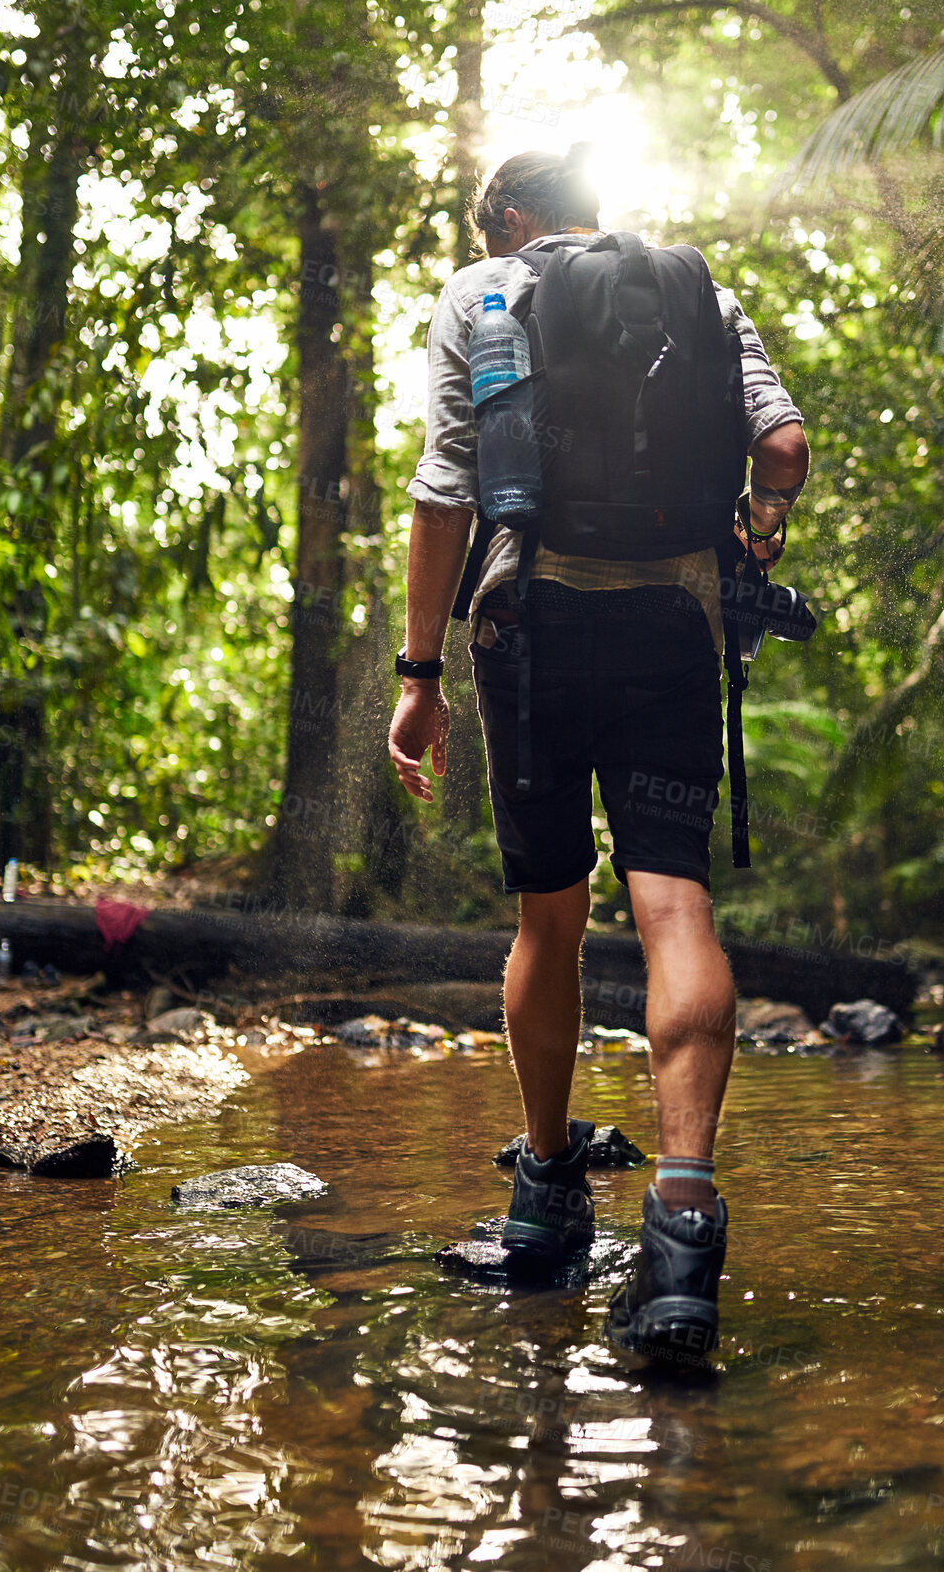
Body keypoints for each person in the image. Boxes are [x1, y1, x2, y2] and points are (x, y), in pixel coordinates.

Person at [387, 146, 809, 1361]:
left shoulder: (480, 294)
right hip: (676, 625)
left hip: (532, 632)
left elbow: (444, 496)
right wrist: (761, 527)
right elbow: (779, 450)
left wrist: (419, 681)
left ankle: (549, 1193)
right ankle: (681, 1225)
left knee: (548, 919)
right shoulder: (696, 292)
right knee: (675, 906)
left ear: (510, 220)